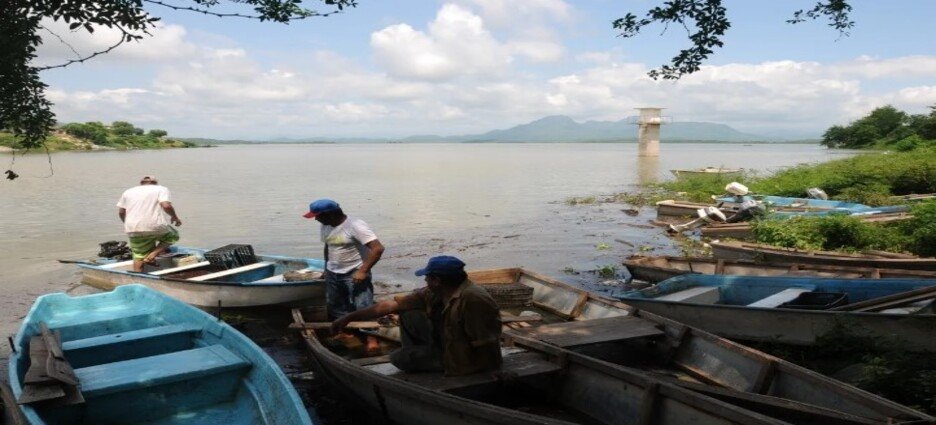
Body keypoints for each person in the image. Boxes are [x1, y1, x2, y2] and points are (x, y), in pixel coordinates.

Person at [332, 255, 502, 376]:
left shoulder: (474, 300)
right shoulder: (435, 292)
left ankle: (431, 360)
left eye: (427, 277)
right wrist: (349, 317)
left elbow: (486, 341)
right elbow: (390, 305)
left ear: (437, 280)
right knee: (408, 313)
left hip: (463, 360)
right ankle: (421, 353)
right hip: (449, 341)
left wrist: (493, 372)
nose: (425, 280)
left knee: (397, 358)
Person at [303, 198, 385, 318]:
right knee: (335, 306)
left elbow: (377, 248)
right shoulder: (325, 225)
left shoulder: (355, 225)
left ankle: (367, 328)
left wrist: (363, 271)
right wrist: (326, 268)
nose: (316, 219)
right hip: (332, 273)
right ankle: (343, 327)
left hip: (354, 272)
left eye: (318, 216)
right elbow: (328, 246)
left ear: (330, 215)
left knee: (363, 306)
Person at [116, 175, 182, 272]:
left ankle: (137, 277)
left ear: (141, 183)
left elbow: (121, 212)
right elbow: (166, 206)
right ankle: (152, 256)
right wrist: (174, 217)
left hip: (132, 227)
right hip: (154, 225)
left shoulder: (128, 191)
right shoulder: (161, 189)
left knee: (138, 256)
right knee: (173, 235)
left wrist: (128, 224)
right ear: (155, 183)